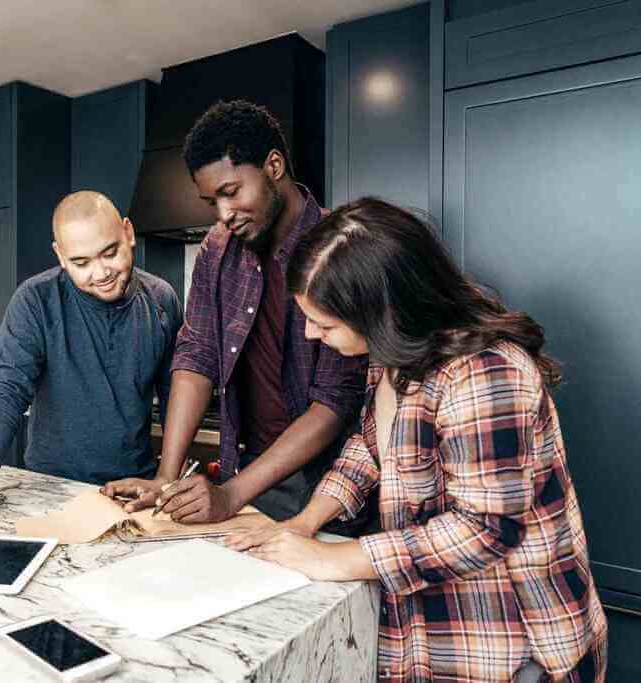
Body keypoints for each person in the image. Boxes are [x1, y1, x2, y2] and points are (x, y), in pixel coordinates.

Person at [227, 198, 608, 681]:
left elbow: (484, 528)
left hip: (516, 643)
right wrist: (303, 524)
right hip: (436, 633)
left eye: (324, 323)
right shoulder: (394, 358)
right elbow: (370, 450)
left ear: (380, 311)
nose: (311, 334)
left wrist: (337, 558)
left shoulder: (485, 373)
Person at [103, 100, 367, 526]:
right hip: (244, 473)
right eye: (212, 202)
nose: (224, 214)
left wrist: (229, 494)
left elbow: (335, 400)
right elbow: (196, 354)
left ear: (274, 165)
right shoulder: (217, 247)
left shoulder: (338, 249)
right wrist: (167, 477)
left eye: (231, 192)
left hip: (330, 485)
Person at [0, 191, 182, 530]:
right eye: (81, 262)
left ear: (128, 233)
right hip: (50, 489)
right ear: (60, 255)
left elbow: (176, 396)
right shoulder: (35, 300)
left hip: (135, 491)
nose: (101, 272)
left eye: (110, 253)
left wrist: (172, 478)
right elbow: (5, 392)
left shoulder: (162, 299)